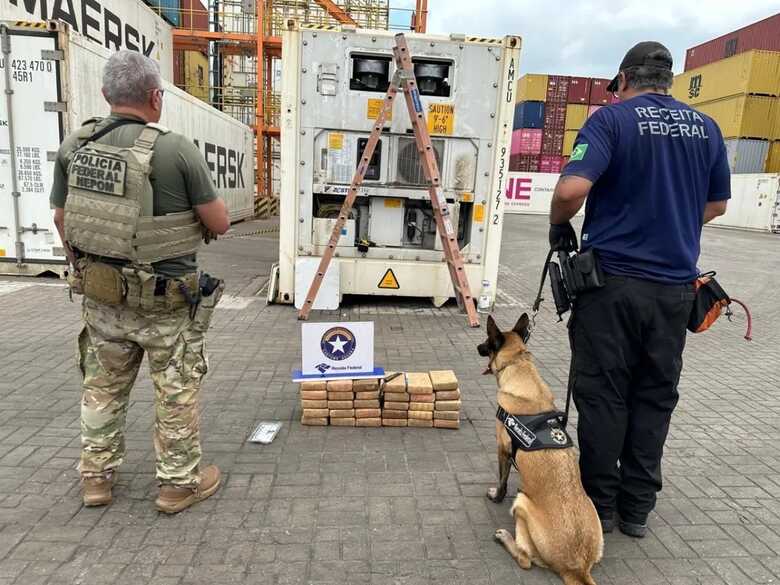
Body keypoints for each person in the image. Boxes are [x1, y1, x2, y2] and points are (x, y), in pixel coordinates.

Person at [548, 42, 730, 538]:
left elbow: (569, 192)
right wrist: (667, 223)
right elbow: (716, 207)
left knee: (604, 396)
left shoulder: (613, 121)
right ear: (667, 81)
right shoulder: (707, 128)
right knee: (654, 395)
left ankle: (599, 508)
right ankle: (636, 511)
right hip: (675, 291)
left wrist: (558, 225)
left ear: (624, 80)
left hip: (612, 289)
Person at [50, 50, 230, 514]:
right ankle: (176, 485)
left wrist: (84, 270)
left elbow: (61, 217)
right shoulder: (174, 148)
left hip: (102, 299)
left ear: (108, 94)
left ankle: (96, 479)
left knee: (102, 387)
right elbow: (220, 222)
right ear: (155, 96)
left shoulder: (76, 144)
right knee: (175, 392)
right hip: (166, 304)